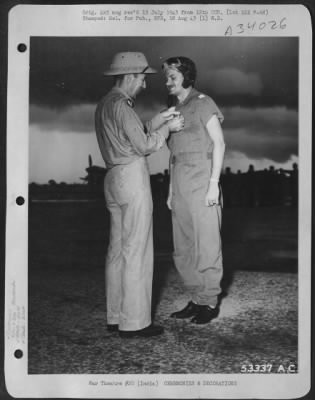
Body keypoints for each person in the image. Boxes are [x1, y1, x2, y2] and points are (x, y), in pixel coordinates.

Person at [95, 52, 184, 338]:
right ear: (131, 76)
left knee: (117, 250)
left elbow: (129, 137)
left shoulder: (106, 104)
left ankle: (115, 316)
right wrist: (167, 130)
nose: (144, 85)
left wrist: (158, 119)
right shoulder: (122, 105)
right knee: (137, 250)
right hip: (131, 177)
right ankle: (135, 323)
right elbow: (143, 145)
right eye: (142, 78)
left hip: (112, 177)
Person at [162, 56, 225, 324]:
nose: (167, 82)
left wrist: (213, 185)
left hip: (202, 183)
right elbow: (173, 155)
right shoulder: (173, 108)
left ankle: (210, 301)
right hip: (180, 185)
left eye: (172, 77)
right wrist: (170, 191)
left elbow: (219, 144)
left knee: (207, 245)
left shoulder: (203, 103)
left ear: (186, 77)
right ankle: (197, 297)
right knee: (183, 248)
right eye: (166, 77)